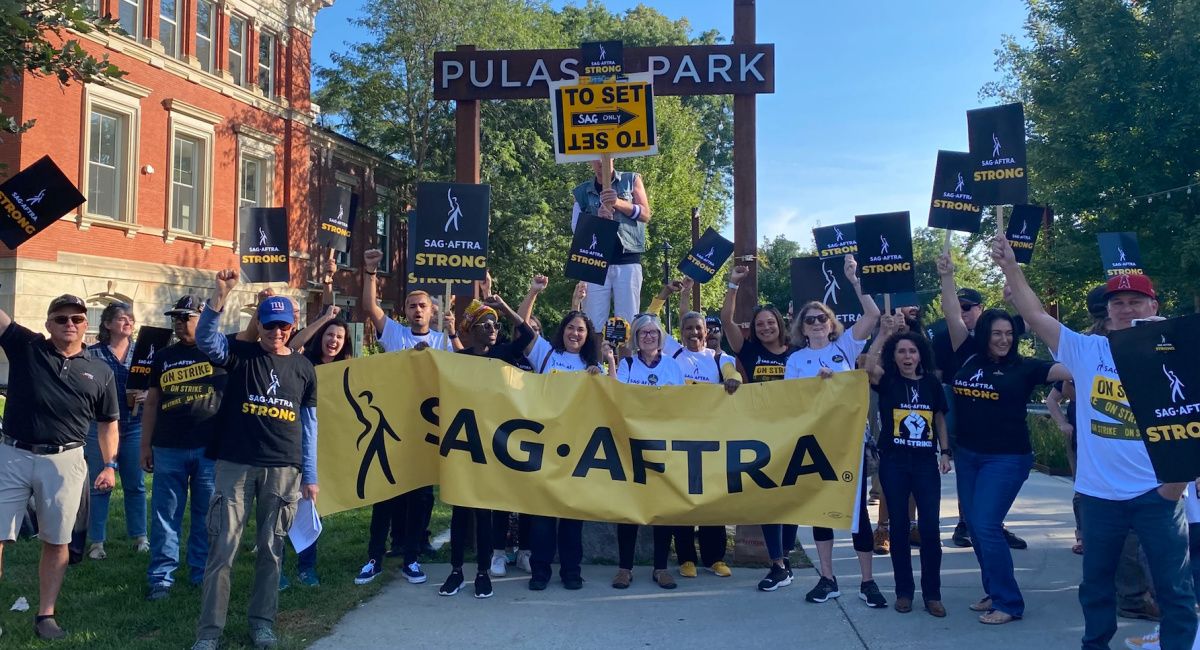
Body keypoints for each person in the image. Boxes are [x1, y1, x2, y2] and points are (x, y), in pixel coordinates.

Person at [990, 234, 1196, 649]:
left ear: (1153, 306)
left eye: (1136, 301)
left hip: (1158, 495)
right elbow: (1034, 314)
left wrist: (1174, 486)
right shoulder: (1088, 349)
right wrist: (1011, 265)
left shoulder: (1179, 351)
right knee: (1097, 587)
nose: (1125, 309)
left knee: (1175, 590)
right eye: (1117, 303)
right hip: (1099, 495)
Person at [937, 253, 1072, 624]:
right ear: (984, 335)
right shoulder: (967, 355)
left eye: (1009, 334)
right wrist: (947, 277)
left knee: (984, 524)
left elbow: (1070, 365)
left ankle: (1009, 604)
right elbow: (952, 314)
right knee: (977, 529)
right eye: (996, 333)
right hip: (969, 456)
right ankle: (994, 591)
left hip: (1007, 459)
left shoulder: (1025, 367)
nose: (1002, 339)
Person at [192, 269, 318, 650]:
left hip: (283, 469)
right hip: (236, 465)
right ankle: (209, 632)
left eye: (282, 326)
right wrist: (221, 296)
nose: (275, 333)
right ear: (258, 324)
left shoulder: (303, 368)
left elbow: (310, 427)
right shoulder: (241, 355)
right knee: (223, 547)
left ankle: (262, 623)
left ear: (293, 325)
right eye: (269, 325)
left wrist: (309, 475)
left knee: (271, 548)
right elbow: (206, 342)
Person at [0, 294, 119, 640]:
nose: (70, 324)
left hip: (66, 460)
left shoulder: (100, 371)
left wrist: (109, 465)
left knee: (57, 539)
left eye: (78, 319)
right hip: (14, 454)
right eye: (62, 318)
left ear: (86, 325)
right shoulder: (28, 347)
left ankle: (45, 616)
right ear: (48, 323)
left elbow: (108, 423)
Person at [779, 254, 885, 607]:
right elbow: (792, 405)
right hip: (815, 446)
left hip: (849, 443)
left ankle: (867, 581)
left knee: (858, 514)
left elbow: (873, 316)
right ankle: (827, 577)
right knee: (821, 512)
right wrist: (817, 387)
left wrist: (855, 281)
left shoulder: (844, 347)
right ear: (802, 327)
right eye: (809, 320)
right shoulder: (795, 361)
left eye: (821, 318)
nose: (816, 324)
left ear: (831, 322)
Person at [354, 248, 455, 586]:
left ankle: (412, 556)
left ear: (433, 310)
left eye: (422, 305)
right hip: (391, 428)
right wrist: (370, 273)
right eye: (411, 306)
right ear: (405, 311)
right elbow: (369, 308)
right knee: (384, 495)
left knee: (421, 497)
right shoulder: (395, 334)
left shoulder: (443, 342)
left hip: (425, 432)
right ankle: (373, 557)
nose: (417, 310)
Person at [439, 295, 535, 598]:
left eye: (495, 323)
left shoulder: (504, 353)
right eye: (486, 323)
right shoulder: (461, 357)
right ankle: (456, 571)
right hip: (465, 444)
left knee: (485, 512)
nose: (493, 328)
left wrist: (504, 307)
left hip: (493, 444)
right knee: (460, 512)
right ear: (471, 330)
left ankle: (482, 573)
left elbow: (529, 335)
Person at [518, 274, 609, 590]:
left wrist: (601, 377)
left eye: (581, 330)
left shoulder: (594, 366)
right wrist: (533, 293)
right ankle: (540, 571)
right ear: (563, 331)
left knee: (572, 517)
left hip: (578, 449)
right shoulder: (544, 353)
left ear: (588, 336)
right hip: (544, 445)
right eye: (571, 328)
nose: (575, 333)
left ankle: (572, 570)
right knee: (543, 517)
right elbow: (522, 325)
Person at [863, 313, 952, 617]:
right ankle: (904, 592)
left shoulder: (931, 384)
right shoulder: (887, 381)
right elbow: (866, 366)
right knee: (899, 528)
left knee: (929, 529)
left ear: (920, 354)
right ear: (894, 355)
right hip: (894, 462)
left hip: (926, 463)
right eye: (901, 351)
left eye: (912, 351)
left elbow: (939, 417)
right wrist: (884, 333)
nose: (907, 356)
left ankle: (933, 594)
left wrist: (945, 451)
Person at [141, 296, 227, 601]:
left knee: (206, 515)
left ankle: (200, 571)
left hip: (208, 448)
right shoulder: (164, 356)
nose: (178, 324)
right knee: (166, 513)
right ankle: (161, 577)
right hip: (168, 446)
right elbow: (151, 402)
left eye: (185, 318)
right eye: (175, 318)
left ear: (202, 319)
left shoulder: (219, 352)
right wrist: (144, 446)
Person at [721, 265, 797, 585]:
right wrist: (732, 285)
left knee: (793, 496)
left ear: (780, 325)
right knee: (768, 498)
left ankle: (787, 556)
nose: (766, 327)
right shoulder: (749, 349)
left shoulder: (796, 353)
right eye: (760, 324)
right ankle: (777, 563)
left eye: (770, 322)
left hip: (794, 432)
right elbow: (726, 321)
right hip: (760, 435)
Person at [661, 298, 739, 580]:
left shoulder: (720, 358)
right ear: (681, 333)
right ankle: (685, 558)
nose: (694, 333)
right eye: (688, 329)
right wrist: (667, 293)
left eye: (699, 328)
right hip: (680, 437)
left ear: (707, 331)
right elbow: (646, 319)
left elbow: (734, 374)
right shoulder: (674, 353)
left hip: (712, 439)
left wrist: (733, 380)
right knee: (683, 500)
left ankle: (714, 558)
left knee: (711, 501)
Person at [275, 308, 347, 590]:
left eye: (340, 336)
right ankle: (276, 569)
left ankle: (307, 567)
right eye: (330, 334)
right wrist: (324, 317)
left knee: (309, 509)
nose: (334, 340)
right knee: (280, 509)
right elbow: (290, 345)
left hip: (326, 449)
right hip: (293, 443)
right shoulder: (302, 363)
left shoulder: (350, 369)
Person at [611, 314, 682, 590]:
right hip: (631, 445)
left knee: (661, 510)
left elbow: (680, 404)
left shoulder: (672, 366)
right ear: (636, 339)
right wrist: (611, 362)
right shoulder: (627, 364)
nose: (649, 337)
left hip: (663, 445)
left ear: (660, 337)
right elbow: (617, 395)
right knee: (629, 510)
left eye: (653, 333)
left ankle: (661, 568)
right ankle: (624, 568)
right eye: (643, 333)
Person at [84, 302, 149, 559]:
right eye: (122, 318)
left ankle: (140, 537)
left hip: (134, 426)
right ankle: (96, 543)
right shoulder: (93, 355)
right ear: (108, 324)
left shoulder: (142, 353)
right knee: (100, 484)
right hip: (100, 427)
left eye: (131, 319)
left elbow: (155, 384)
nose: (128, 322)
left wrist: (147, 393)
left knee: (136, 484)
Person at [571, 156, 652, 325]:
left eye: (605, 156)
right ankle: (595, 352)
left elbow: (645, 214)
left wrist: (617, 203)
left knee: (628, 321)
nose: (601, 162)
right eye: (595, 158)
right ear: (590, 162)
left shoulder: (631, 180)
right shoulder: (582, 192)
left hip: (627, 258)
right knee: (592, 321)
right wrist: (597, 220)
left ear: (613, 156)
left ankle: (626, 353)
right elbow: (576, 230)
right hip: (595, 261)